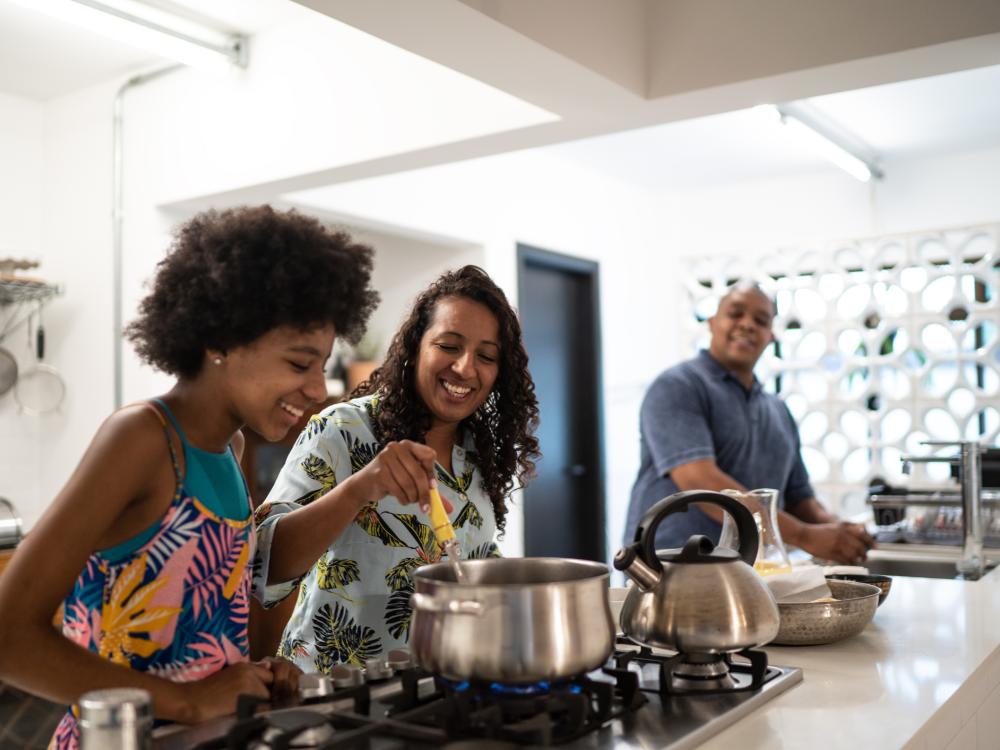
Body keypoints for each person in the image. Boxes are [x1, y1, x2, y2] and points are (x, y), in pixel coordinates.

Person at [0, 206, 379, 748]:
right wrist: (188, 701)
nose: (319, 390)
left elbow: (206, 629)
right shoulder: (142, 439)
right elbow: (9, 638)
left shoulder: (232, 449)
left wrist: (259, 673)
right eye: (300, 364)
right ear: (221, 342)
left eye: (322, 366)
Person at [252, 265, 540, 672]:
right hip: (333, 693)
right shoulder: (344, 429)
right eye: (449, 345)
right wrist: (358, 490)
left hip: (435, 689)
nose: (465, 367)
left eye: (486, 356)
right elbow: (265, 562)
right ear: (415, 347)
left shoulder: (479, 453)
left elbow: (470, 560)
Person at [623, 280, 875, 565]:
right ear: (712, 323)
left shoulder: (778, 410)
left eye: (760, 320)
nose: (747, 324)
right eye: (735, 313)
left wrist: (841, 533)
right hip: (667, 570)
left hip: (749, 574)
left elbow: (800, 500)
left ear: (770, 336)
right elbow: (700, 482)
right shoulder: (678, 386)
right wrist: (805, 536)